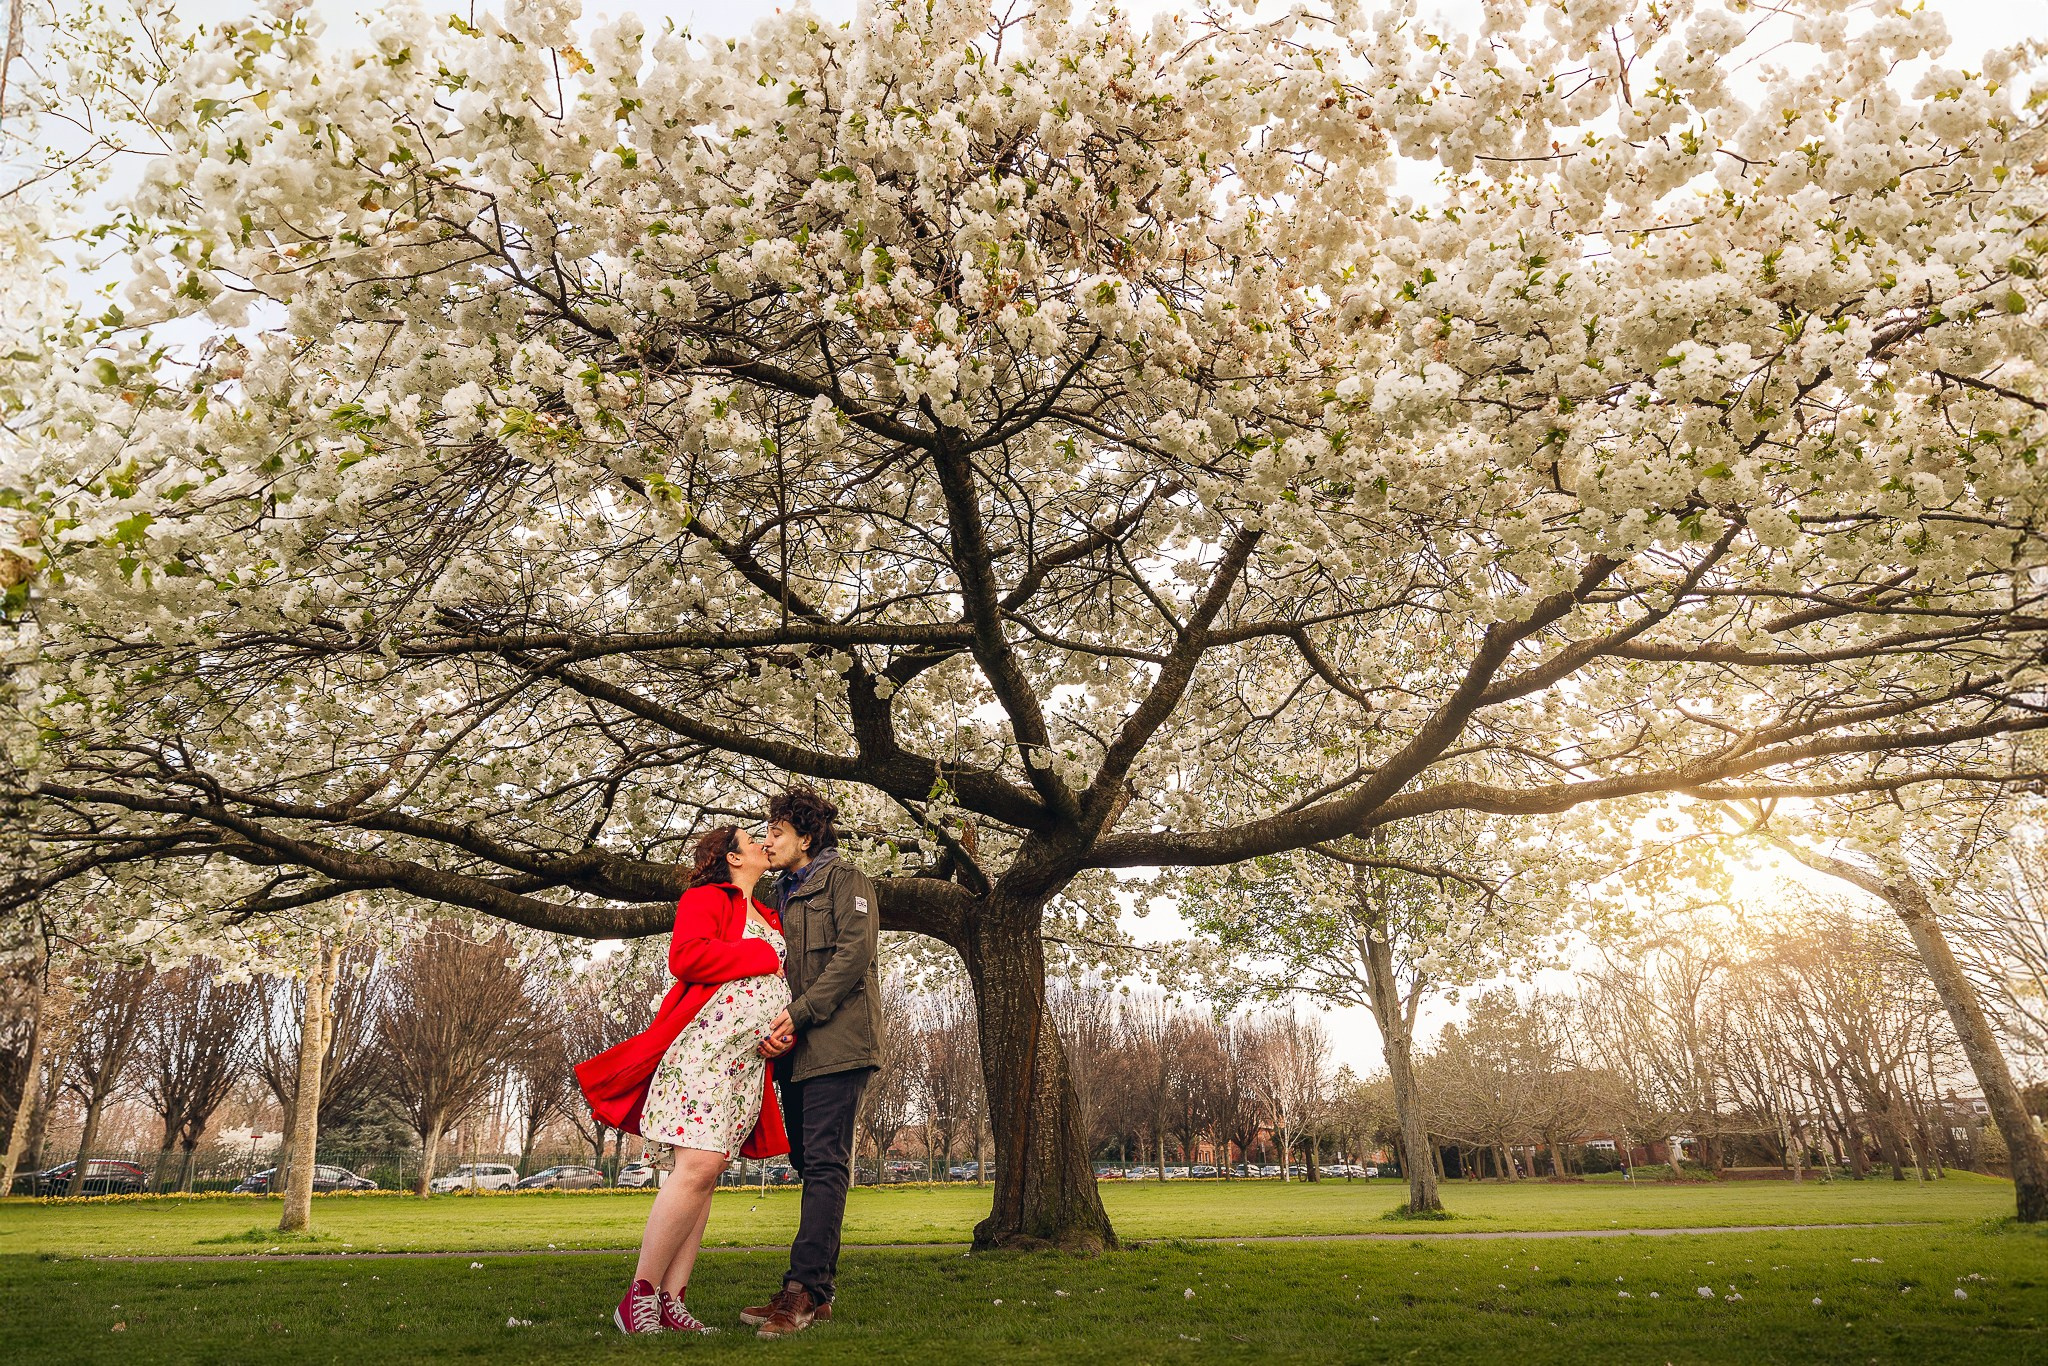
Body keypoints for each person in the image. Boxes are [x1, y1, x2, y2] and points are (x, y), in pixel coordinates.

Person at [573, 825, 791, 1336]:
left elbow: (772, 991)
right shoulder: (706, 897)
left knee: (706, 1175)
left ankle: (671, 1300)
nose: (765, 841)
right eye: (753, 838)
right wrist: (766, 957)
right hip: (702, 1054)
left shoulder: (769, 914)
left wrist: (782, 1034)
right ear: (733, 858)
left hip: (744, 1065)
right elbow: (687, 957)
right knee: (698, 1167)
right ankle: (639, 1298)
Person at [741, 786, 882, 1340]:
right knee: (807, 1159)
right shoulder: (778, 892)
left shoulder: (847, 882)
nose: (768, 839)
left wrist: (797, 1016)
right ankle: (818, 1290)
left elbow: (853, 956)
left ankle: (801, 1291)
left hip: (840, 1043)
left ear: (806, 837)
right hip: (794, 1049)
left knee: (824, 1162)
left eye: (777, 831)